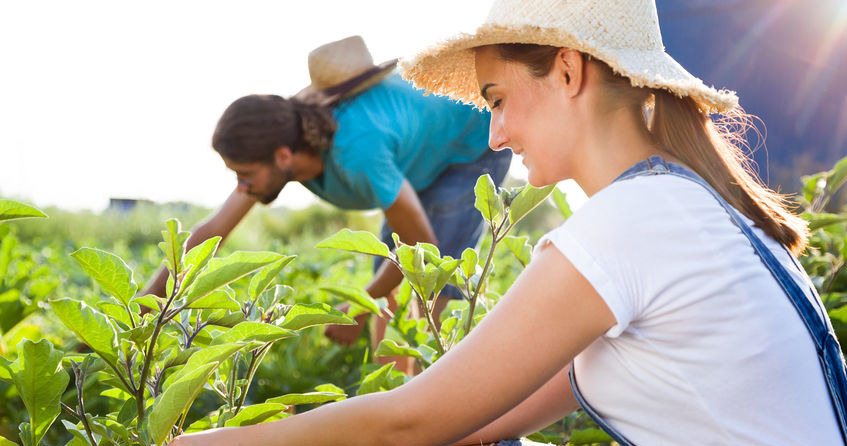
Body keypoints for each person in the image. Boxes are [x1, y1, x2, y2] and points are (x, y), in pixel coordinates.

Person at [171, 0, 847, 444]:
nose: (492, 136)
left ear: (568, 71)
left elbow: (412, 422)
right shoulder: (686, 203)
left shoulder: (629, 224)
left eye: (497, 100)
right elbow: (464, 425)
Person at [143, 36, 511, 353]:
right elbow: (210, 233)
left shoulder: (357, 152)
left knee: (429, 279)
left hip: (473, 139)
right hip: (419, 155)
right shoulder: (282, 145)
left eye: (244, 174)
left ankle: (433, 404)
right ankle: (392, 400)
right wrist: (136, 315)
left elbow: (419, 244)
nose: (242, 186)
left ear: (283, 156)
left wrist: (358, 308)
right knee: (387, 276)